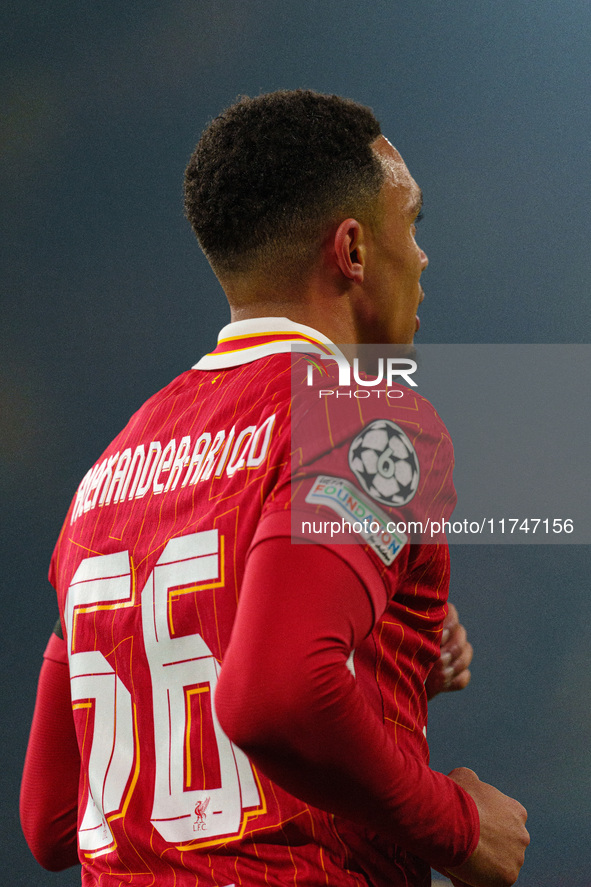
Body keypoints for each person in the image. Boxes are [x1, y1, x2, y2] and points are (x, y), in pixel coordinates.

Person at [20, 89, 528, 886]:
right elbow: (276, 696)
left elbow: (52, 817)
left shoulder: (109, 472)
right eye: (414, 225)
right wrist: (461, 828)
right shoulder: (367, 415)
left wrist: (369, 650)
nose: (423, 258)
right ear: (352, 249)